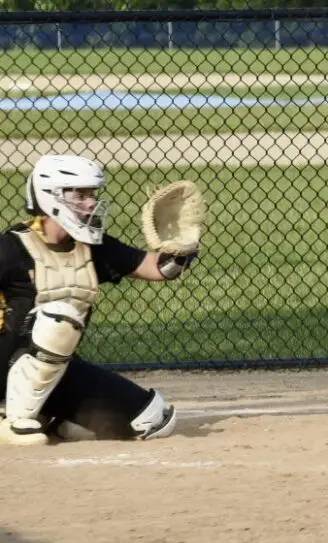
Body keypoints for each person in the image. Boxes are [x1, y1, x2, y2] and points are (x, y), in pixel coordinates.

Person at [0, 154, 195, 446]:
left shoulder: (92, 245)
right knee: (58, 317)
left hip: (55, 371)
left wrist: (182, 248)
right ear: (50, 197)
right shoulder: (11, 248)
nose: (91, 203)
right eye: (80, 195)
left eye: (92, 195)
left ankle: (47, 416)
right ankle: (15, 421)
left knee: (150, 419)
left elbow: (156, 268)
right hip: (4, 362)